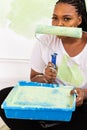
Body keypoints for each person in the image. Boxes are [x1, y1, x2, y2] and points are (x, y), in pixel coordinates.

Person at [0, 0, 87, 130]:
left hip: (79, 105)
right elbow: (34, 78)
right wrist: (46, 78)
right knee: (4, 96)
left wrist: (84, 94)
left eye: (67, 19)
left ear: (79, 20)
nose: (58, 24)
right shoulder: (46, 40)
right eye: (54, 18)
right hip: (53, 102)